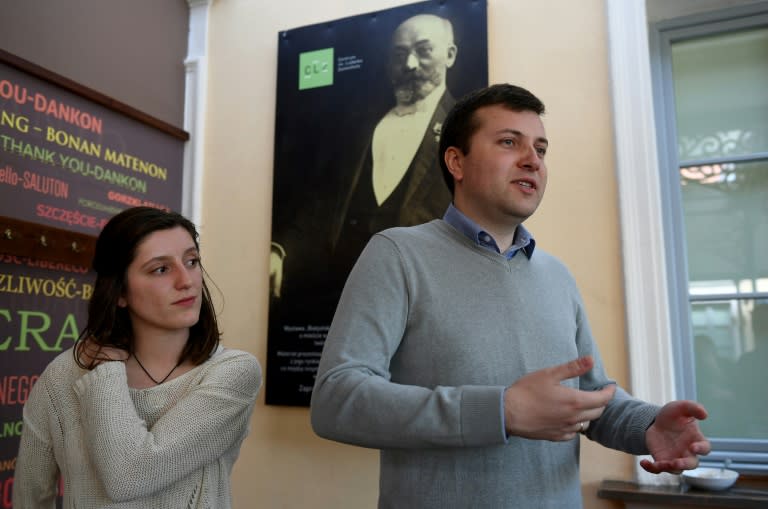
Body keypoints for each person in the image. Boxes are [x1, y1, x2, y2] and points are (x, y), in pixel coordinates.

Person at [310, 84, 711, 508]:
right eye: (508, 142)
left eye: (540, 148)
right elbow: (337, 399)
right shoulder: (397, 254)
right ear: (456, 161)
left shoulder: (557, 275)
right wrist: (500, 411)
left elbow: (590, 398)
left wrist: (647, 425)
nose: (532, 160)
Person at [13, 207, 262, 508]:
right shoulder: (63, 375)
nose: (187, 280)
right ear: (120, 292)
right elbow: (31, 495)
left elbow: (129, 476)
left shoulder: (232, 372)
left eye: (192, 261)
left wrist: (105, 371)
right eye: (161, 269)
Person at [270, 12, 457, 300]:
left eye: (423, 51)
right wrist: (280, 252)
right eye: (400, 54)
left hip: (421, 300)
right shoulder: (359, 128)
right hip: (340, 294)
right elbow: (322, 208)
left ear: (450, 55)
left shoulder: (464, 130)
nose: (409, 64)